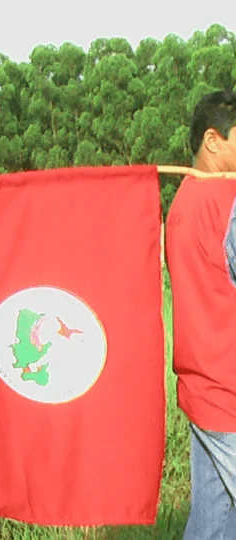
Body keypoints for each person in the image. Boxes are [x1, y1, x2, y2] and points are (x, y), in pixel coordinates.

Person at [165, 88, 236, 539]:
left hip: (201, 388)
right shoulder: (228, 200)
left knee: (212, 524)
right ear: (213, 140)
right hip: (230, 394)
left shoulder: (183, 202)